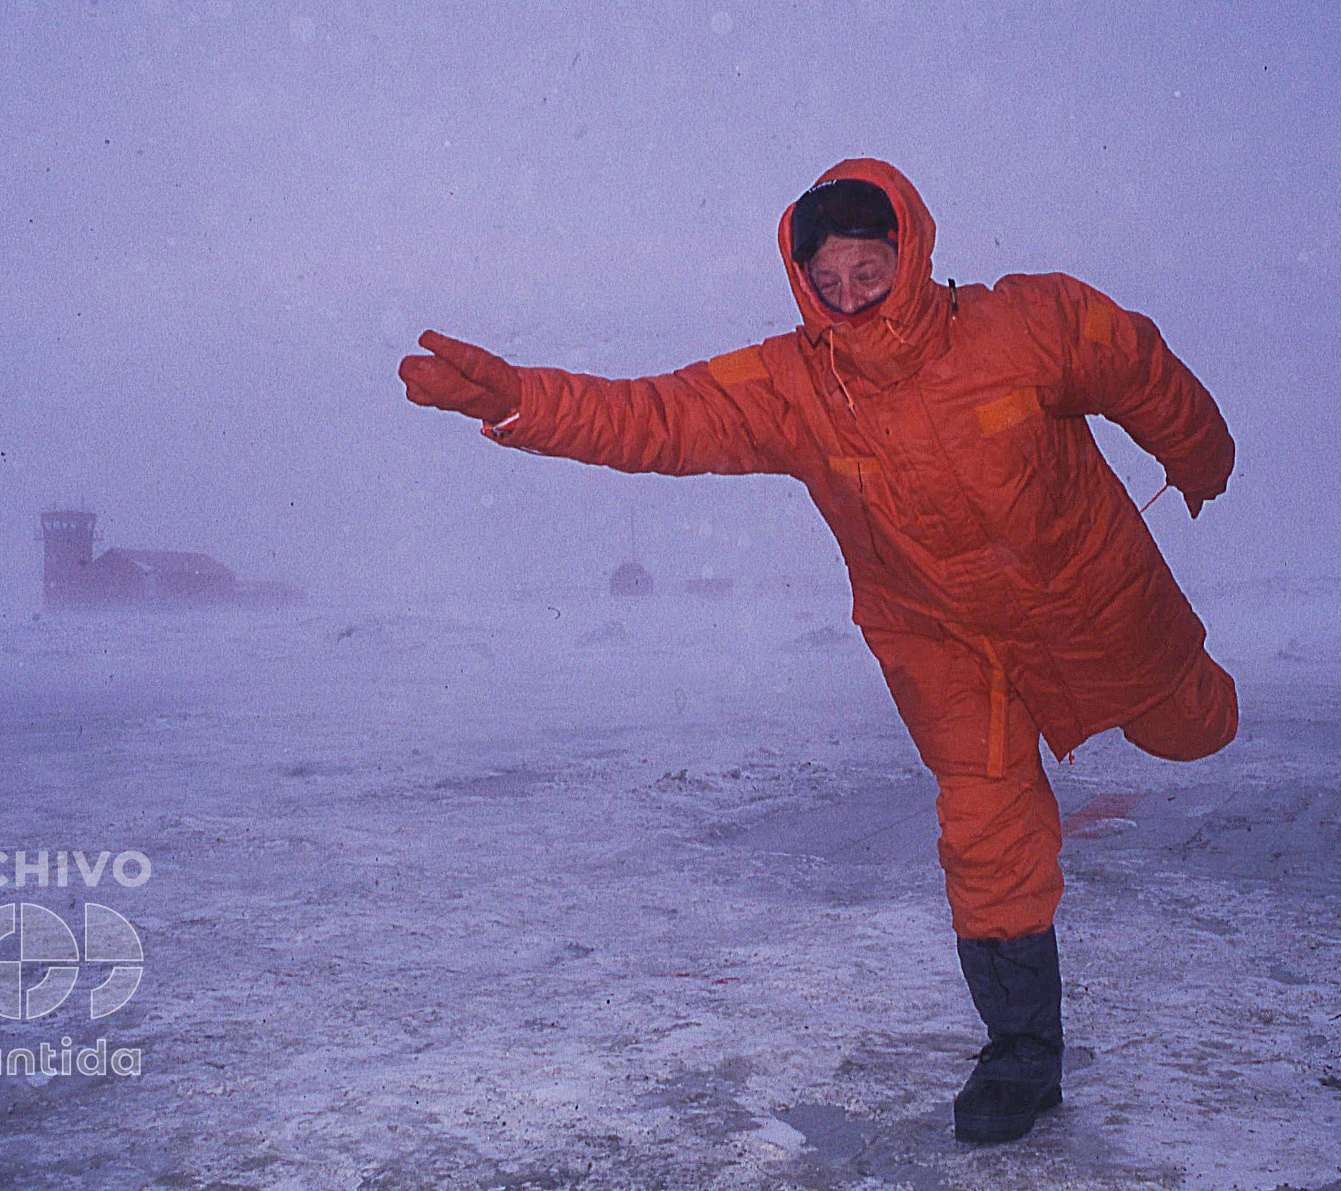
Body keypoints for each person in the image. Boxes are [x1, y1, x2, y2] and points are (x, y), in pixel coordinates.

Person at [400, 158, 1237, 1145]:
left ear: (907, 250)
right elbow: (652, 416)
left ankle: (1186, 695)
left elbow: (1138, 364)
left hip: (1086, 593)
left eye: (866, 270)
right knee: (984, 830)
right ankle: (1020, 1058)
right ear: (802, 284)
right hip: (940, 641)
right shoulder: (792, 384)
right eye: (826, 282)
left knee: (1191, 730)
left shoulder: (1030, 321)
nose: (848, 297)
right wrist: (519, 400)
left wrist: (1198, 456)